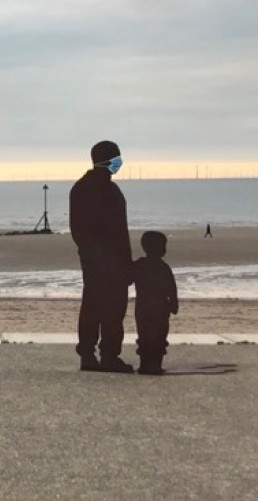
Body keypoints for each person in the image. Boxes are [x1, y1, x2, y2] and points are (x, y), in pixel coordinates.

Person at [69, 140, 134, 373]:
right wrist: (109, 259)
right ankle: (104, 355)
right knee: (109, 308)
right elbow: (113, 232)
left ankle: (94, 354)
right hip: (105, 260)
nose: (119, 162)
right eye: (117, 157)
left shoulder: (84, 188)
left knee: (97, 306)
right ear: (107, 159)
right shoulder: (99, 190)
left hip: (98, 260)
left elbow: (79, 230)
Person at [134, 231, 179, 375]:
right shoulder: (163, 267)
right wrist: (174, 304)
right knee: (158, 336)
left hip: (144, 307)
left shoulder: (140, 265)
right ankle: (154, 365)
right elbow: (172, 288)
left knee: (145, 336)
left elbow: (126, 279)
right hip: (159, 307)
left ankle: (146, 365)